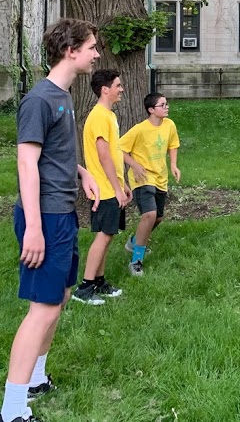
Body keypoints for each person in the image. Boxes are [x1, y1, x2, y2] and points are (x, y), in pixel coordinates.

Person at [0, 18, 102, 422]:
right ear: (71, 51)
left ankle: (36, 379)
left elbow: (54, 153)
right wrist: (35, 229)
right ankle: (11, 411)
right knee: (42, 309)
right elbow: (27, 163)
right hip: (45, 218)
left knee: (60, 298)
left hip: (62, 212)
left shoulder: (63, 96)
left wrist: (80, 171)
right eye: (91, 48)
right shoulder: (39, 100)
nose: (96, 54)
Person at [72, 69, 133, 305]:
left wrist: (123, 183)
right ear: (105, 90)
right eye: (118, 85)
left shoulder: (108, 115)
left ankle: (99, 281)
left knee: (108, 235)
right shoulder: (98, 116)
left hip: (112, 185)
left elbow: (114, 155)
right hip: (104, 189)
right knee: (104, 236)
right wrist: (116, 188)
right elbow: (103, 154)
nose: (122, 89)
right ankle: (85, 288)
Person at [118, 92, 180, 276]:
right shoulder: (139, 129)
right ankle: (136, 260)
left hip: (161, 178)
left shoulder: (169, 125)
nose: (167, 107)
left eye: (167, 104)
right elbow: (119, 149)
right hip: (142, 178)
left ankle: (134, 242)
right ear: (151, 110)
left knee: (158, 217)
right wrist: (135, 165)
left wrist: (174, 165)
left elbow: (173, 145)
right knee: (149, 215)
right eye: (163, 105)